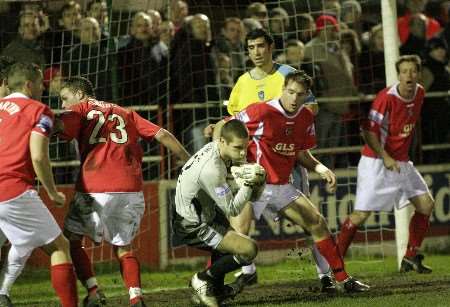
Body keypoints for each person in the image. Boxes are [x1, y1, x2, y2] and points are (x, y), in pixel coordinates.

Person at [206, 28, 333, 293]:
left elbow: (311, 108)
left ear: (271, 46)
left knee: (312, 222)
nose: (256, 52)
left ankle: (326, 275)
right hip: (252, 166)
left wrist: (282, 129)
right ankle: (247, 272)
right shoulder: (242, 82)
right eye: (251, 47)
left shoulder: (287, 75)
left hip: (288, 162)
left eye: (260, 46)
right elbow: (234, 120)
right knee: (239, 222)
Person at [228, 71, 370, 293]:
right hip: (253, 184)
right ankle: (222, 278)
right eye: (291, 92)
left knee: (317, 223)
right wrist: (223, 158)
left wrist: (322, 168)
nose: (294, 98)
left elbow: (301, 153)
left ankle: (341, 279)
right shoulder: (261, 110)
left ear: (307, 96)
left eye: (300, 94)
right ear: (283, 88)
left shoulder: (305, 118)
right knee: (235, 233)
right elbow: (226, 126)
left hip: (282, 185)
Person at [57, 76, 190, 307]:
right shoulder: (125, 112)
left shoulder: (80, 109)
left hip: (94, 186)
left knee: (72, 240)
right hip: (130, 189)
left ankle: (93, 291)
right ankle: (135, 297)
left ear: (79, 95)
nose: (62, 106)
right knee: (123, 246)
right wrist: (188, 162)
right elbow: (163, 135)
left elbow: (58, 128)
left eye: (64, 99)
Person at [337, 55, 435, 274]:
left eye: (412, 71)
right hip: (376, 162)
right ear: (398, 75)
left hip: (401, 162)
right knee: (361, 214)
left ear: (418, 73)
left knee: (426, 205)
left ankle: (410, 257)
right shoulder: (386, 98)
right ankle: (332, 264)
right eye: (404, 71)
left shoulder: (420, 92)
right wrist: (385, 156)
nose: (409, 75)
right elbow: (368, 131)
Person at [0, 62, 78, 306]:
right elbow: (38, 155)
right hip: (12, 189)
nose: (44, 90)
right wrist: (52, 192)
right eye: (41, 85)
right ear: (28, 85)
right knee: (59, 246)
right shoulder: (38, 110)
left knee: (19, 242)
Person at [173, 119, 264, 307]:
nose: (242, 153)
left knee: (226, 246)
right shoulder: (211, 170)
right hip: (193, 223)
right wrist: (248, 186)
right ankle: (202, 279)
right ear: (223, 142)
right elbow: (233, 209)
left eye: (245, 148)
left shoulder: (217, 148)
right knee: (249, 250)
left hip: (204, 212)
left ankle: (215, 290)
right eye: (238, 148)